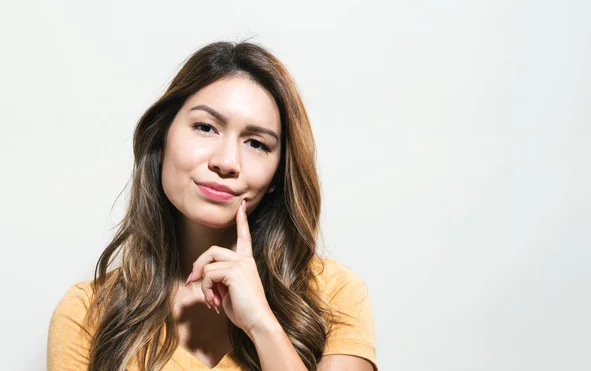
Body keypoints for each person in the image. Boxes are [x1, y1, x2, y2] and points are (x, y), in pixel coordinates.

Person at [47, 40, 377, 371]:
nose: (227, 161)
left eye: (257, 144)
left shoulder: (333, 294)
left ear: (278, 173)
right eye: (205, 127)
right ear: (163, 137)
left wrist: (263, 326)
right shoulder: (86, 314)